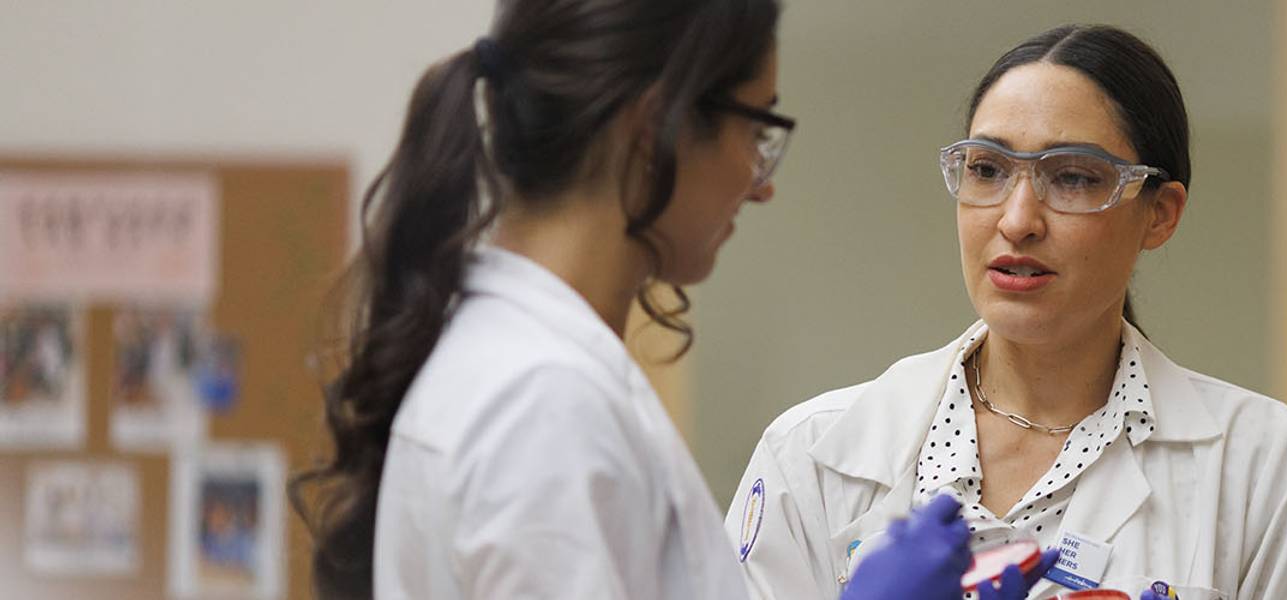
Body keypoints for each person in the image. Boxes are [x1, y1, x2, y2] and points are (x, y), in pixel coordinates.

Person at [286, 1, 1047, 598]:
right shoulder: (543, 404)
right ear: (653, 128)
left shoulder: (519, 367)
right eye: (757, 128)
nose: (763, 180)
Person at [727, 24, 1287, 600]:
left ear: (1160, 213)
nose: (1017, 221)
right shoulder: (810, 454)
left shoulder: (1258, 461)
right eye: (987, 170)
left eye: (1072, 177)